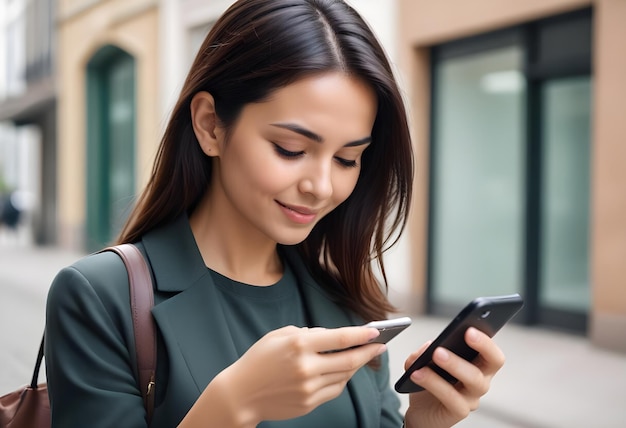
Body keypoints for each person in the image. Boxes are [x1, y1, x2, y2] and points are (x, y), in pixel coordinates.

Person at [45, 0, 506, 427]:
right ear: (210, 125)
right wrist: (233, 405)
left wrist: (420, 423)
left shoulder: (347, 303)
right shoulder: (99, 297)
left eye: (347, 159)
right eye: (291, 149)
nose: (321, 185)